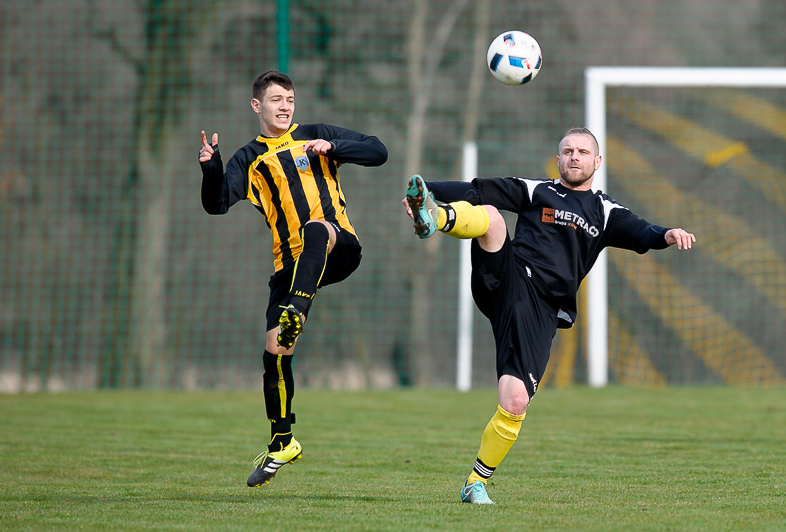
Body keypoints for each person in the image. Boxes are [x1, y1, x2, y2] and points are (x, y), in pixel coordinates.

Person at [402, 127, 695, 505]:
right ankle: (436, 216)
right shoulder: (537, 191)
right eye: (568, 151)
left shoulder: (605, 212)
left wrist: (666, 234)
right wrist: (428, 192)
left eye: (583, 152)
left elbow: (641, 232)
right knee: (491, 216)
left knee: (515, 401)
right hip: (508, 278)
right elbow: (476, 190)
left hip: (540, 310)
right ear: (558, 160)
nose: (575, 156)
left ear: (597, 162)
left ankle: (475, 483)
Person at [200, 70, 388, 488]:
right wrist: (211, 169)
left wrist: (334, 146)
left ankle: (296, 310)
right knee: (275, 353)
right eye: (276, 100)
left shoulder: (316, 134)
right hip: (290, 266)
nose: (285, 106)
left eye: (289, 99)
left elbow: (378, 151)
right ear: (257, 106)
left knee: (316, 228)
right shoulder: (248, 159)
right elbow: (216, 204)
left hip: (338, 246)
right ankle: (282, 441)